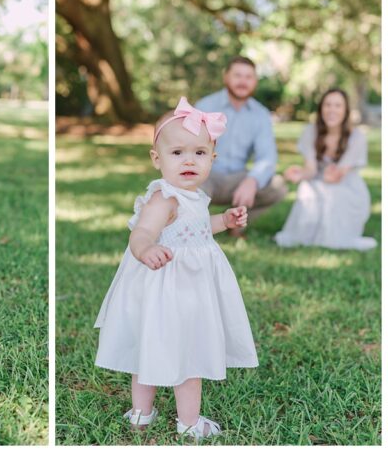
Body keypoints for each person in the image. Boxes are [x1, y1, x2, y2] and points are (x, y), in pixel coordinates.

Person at [94, 98, 258, 441]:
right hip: (168, 288)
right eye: (177, 152)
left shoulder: (195, 198)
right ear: (157, 159)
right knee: (187, 352)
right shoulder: (163, 199)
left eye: (199, 153)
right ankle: (185, 421)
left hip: (189, 289)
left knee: (154, 347)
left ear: (212, 159)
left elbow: (196, 229)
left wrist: (224, 221)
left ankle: (143, 414)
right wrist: (146, 249)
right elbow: (141, 232)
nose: (189, 160)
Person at [195, 56, 287, 237]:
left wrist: (252, 181)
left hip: (238, 177)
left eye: (248, 77)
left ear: (255, 81)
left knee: (278, 187)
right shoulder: (204, 106)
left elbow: (267, 157)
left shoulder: (260, 114)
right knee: (190, 193)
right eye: (237, 75)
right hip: (206, 174)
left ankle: (235, 224)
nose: (243, 81)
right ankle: (195, 229)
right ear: (226, 77)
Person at [275, 89, 377, 250]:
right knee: (307, 189)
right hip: (319, 179)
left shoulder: (357, 137)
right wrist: (300, 173)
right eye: (327, 105)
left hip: (346, 184)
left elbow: (338, 175)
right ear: (321, 108)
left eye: (338, 105)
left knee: (332, 193)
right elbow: (311, 170)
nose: (332, 110)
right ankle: (309, 233)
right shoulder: (311, 131)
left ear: (345, 110)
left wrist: (329, 175)